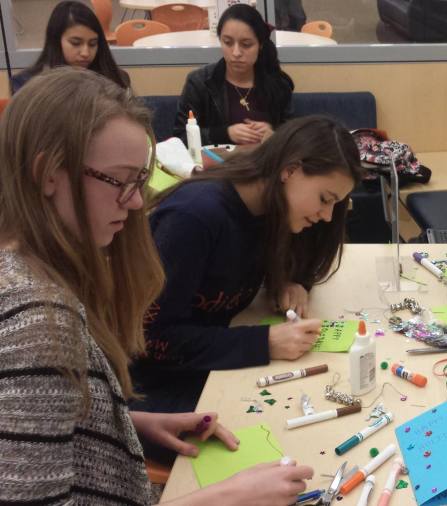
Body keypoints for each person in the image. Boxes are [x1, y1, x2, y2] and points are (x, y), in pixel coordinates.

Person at [0, 67, 313, 505]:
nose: (133, 204)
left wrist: (129, 425)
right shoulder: (34, 322)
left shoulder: (31, 278)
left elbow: (55, 422)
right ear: (48, 173)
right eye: (119, 181)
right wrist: (225, 499)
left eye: (138, 183)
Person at [132, 115, 362, 429]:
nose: (326, 215)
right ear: (289, 170)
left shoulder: (270, 208)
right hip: (155, 390)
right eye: (324, 199)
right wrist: (264, 342)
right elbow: (151, 340)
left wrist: (291, 281)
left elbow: (298, 255)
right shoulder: (194, 218)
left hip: (216, 367)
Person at [173, 4, 295, 146]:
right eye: (228, 42)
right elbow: (180, 137)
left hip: (266, 164)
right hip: (218, 166)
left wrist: (275, 134)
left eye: (246, 44)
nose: (236, 52)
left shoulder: (277, 82)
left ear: (260, 45)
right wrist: (225, 134)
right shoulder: (199, 82)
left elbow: (296, 136)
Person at [11, 1, 130, 94]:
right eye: (76, 43)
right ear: (56, 40)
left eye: (92, 44)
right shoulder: (26, 84)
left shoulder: (115, 79)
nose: (85, 53)